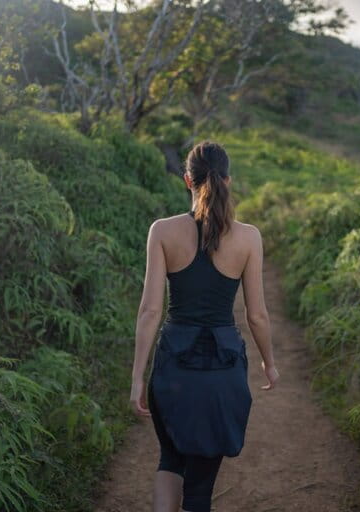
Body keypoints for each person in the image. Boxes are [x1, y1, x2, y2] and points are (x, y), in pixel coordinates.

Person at [130, 140, 280, 512]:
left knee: (170, 460)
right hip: (221, 372)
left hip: (172, 367)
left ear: (187, 180)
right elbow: (256, 315)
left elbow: (150, 311)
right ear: (228, 181)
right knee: (198, 492)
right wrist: (269, 362)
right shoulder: (249, 238)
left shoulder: (161, 232)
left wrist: (137, 377)